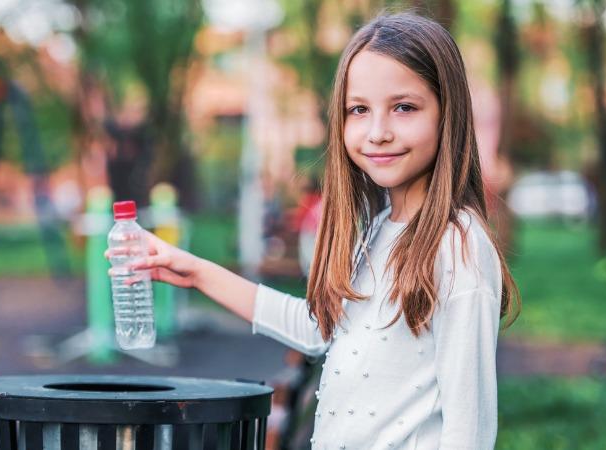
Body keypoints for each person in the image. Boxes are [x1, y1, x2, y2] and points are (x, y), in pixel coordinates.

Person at [110, 12, 520, 449]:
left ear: (448, 114)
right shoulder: (381, 228)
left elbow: (469, 432)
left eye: (404, 107)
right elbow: (319, 330)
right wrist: (191, 271)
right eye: (359, 110)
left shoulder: (457, 246)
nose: (378, 132)